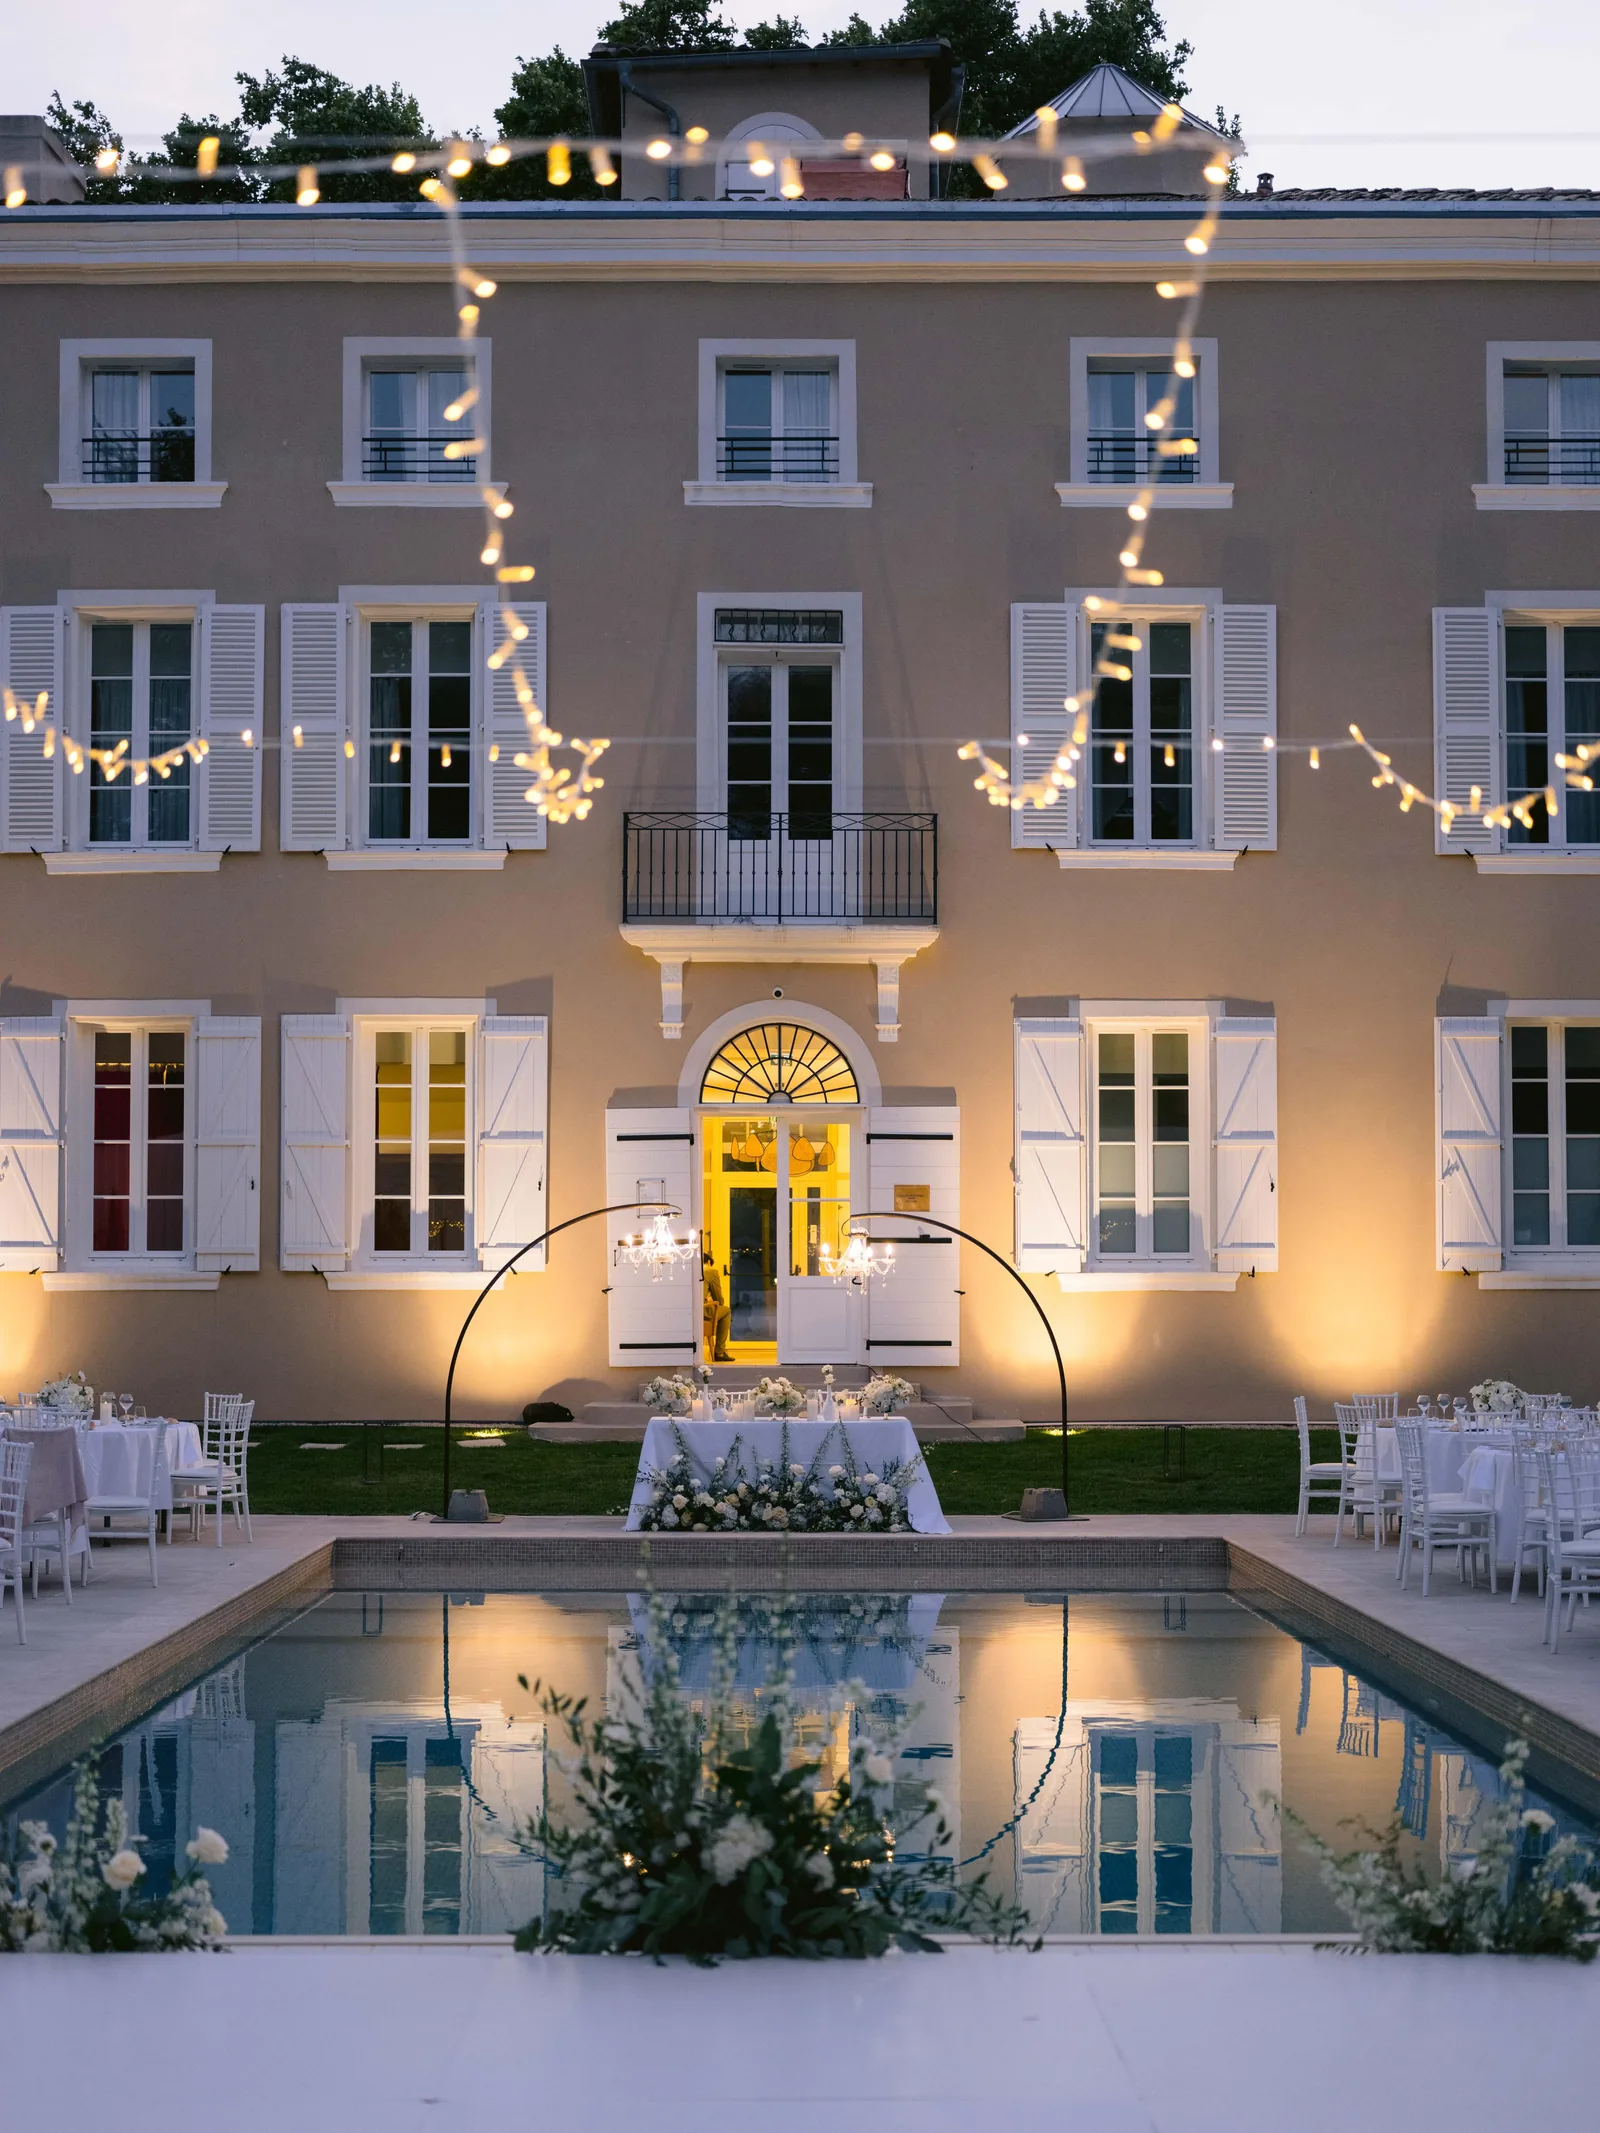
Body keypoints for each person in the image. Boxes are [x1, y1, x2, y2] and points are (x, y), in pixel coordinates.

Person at [703, 1251, 731, 1362]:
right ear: (709, 1262)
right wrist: (717, 1303)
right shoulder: (710, 1271)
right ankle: (719, 1351)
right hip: (701, 1311)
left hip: (687, 1311)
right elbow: (718, 1297)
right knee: (726, 1311)